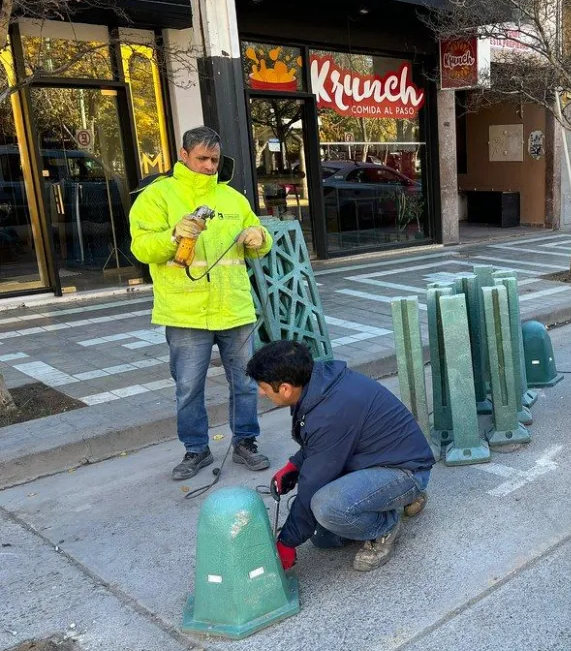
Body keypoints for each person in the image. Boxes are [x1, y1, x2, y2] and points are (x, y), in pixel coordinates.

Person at [129, 126, 274, 481]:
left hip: (234, 306)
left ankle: (245, 442)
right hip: (185, 311)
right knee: (188, 387)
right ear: (183, 155)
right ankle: (196, 449)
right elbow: (141, 248)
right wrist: (172, 234)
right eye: (202, 159)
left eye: (214, 159)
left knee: (244, 382)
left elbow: (261, 240)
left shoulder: (232, 198)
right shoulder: (158, 196)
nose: (210, 166)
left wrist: (259, 237)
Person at [246, 340, 434, 573]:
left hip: (406, 470)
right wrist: (294, 466)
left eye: (263, 387)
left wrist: (286, 543)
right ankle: (393, 500)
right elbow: (322, 446)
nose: (261, 392)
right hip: (378, 459)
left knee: (326, 507)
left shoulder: (330, 411)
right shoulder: (317, 384)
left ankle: (386, 525)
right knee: (322, 537)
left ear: (285, 388)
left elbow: (314, 481)